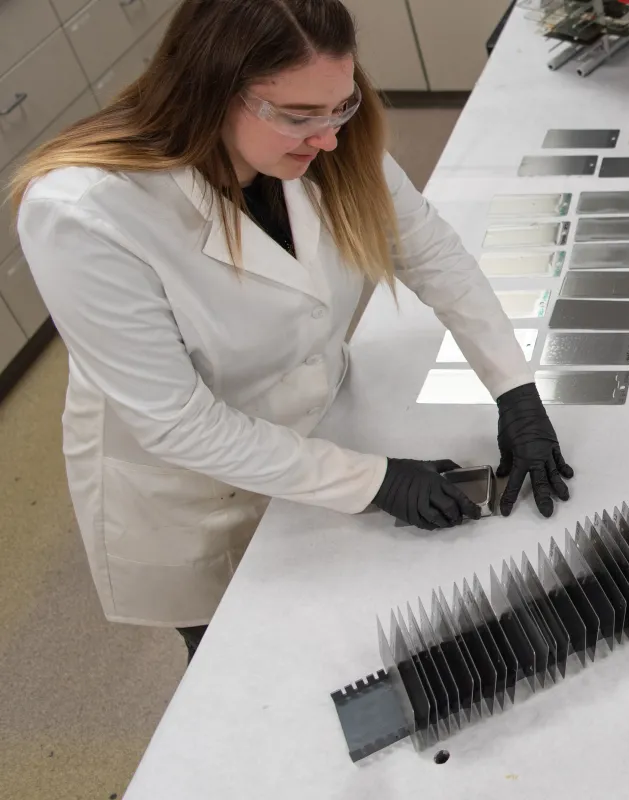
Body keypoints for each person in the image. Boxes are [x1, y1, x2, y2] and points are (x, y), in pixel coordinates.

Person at [7, 0, 574, 659]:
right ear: (209, 88)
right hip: (196, 492)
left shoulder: (327, 140)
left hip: (321, 422)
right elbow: (177, 422)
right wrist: (377, 481)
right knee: (243, 664)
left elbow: (432, 255)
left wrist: (515, 389)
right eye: (299, 116)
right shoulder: (85, 212)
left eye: (341, 107)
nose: (327, 138)